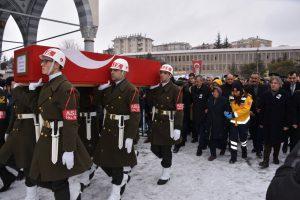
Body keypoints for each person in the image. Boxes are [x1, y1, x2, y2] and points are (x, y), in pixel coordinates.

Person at [29, 48, 92, 200]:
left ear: (56, 65)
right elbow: (39, 109)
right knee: (39, 176)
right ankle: (74, 189)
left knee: (58, 182)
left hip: (60, 139)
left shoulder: (65, 88)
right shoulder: (47, 85)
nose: (42, 64)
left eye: (46, 61)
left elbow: (71, 122)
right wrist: (32, 91)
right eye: (42, 61)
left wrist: (69, 150)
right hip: (47, 137)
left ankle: (74, 191)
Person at [94, 58, 140, 200]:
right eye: (111, 70)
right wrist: (100, 90)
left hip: (122, 129)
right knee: (100, 159)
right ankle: (122, 178)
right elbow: (98, 104)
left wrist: (130, 136)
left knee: (117, 163)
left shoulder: (131, 89)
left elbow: (135, 114)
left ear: (123, 72)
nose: (112, 72)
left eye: (115, 70)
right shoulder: (109, 88)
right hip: (108, 128)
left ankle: (115, 192)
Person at [147, 64, 183, 185]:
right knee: (154, 147)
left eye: (165, 73)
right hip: (157, 122)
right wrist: (150, 89)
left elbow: (180, 109)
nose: (162, 74)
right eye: (161, 72)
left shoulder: (176, 90)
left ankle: (166, 172)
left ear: (170, 75)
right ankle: (166, 161)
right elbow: (149, 102)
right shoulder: (157, 88)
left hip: (169, 123)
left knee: (166, 149)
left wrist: (178, 127)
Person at [258, 76, 289, 169]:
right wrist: (261, 122)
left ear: (279, 84)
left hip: (279, 123)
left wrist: (286, 124)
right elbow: (261, 109)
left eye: (275, 83)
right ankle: (265, 161)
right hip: (268, 122)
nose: (273, 85)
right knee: (267, 142)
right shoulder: (265, 94)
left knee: (277, 141)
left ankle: (275, 157)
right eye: (272, 83)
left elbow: (288, 110)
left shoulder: (284, 94)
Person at [225, 82, 253, 164]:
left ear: (240, 90)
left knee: (243, 139)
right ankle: (233, 157)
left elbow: (246, 109)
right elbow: (229, 105)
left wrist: (233, 114)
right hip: (233, 121)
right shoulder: (231, 96)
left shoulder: (248, 97)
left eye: (236, 91)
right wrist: (226, 113)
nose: (235, 93)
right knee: (233, 139)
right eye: (233, 91)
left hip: (243, 121)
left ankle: (244, 149)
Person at [247, 72, 269, 158]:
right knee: (253, 133)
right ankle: (255, 147)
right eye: (252, 78)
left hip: (261, 114)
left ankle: (259, 150)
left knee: (260, 133)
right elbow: (244, 101)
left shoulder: (265, 88)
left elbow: (267, 100)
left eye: (256, 78)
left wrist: (262, 109)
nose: (254, 80)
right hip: (251, 114)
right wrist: (248, 110)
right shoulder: (247, 88)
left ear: (259, 79)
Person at [173, 73, 194, 153]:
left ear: (182, 86)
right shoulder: (174, 93)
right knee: (177, 129)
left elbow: (188, 104)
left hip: (184, 114)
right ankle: (178, 143)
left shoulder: (186, 93)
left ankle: (180, 143)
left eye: (179, 86)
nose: (178, 87)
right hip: (176, 114)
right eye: (177, 86)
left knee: (182, 129)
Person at [206, 86, 229, 161]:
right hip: (211, 122)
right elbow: (209, 109)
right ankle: (213, 154)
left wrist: (227, 121)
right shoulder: (210, 99)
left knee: (221, 138)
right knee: (212, 138)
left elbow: (227, 112)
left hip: (221, 123)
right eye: (214, 92)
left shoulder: (224, 100)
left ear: (220, 92)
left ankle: (223, 148)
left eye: (216, 92)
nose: (215, 93)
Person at [190, 75, 210, 156]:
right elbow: (193, 99)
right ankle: (204, 143)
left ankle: (200, 148)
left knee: (202, 130)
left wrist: (207, 108)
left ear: (202, 81)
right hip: (196, 112)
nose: (196, 83)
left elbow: (210, 99)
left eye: (198, 81)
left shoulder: (206, 89)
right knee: (198, 129)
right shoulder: (193, 88)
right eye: (195, 81)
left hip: (204, 113)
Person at [282, 71, 300, 153]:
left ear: (297, 78)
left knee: (294, 137)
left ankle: (292, 153)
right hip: (286, 115)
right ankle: (285, 144)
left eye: (294, 78)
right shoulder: (284, 86)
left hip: (296, 116)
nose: (292, 80)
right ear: (287, 78)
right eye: (290, 78)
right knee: (285, 134)